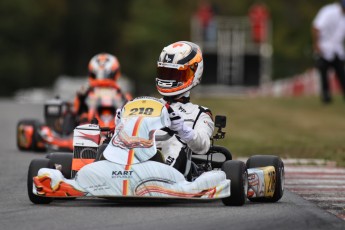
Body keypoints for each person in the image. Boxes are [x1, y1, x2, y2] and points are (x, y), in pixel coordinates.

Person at [154, 41, 215, 174]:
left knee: (174, 141)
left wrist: (182, 130)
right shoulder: (148, 104)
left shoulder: (200, 113)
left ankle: (163, 177)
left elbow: (203, 146)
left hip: (175, 167)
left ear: (194, 72)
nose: (169, 79)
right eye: (165, 73)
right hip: (140, 155)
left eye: (176, 74)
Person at [74, 53, 131, 124]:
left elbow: (130, 108)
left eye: (106, 74)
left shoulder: (120, 92)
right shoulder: (87, 92)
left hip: (118, 127)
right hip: (89, 126)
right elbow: (75, 109)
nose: (103, 78)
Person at [312, 0, 345, 103]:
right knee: (323, 72)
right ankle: (326, 96)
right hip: (324, 47)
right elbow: (316, 27)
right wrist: (316, 44)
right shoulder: (328, 11)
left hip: (337, 49)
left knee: (341, 73)